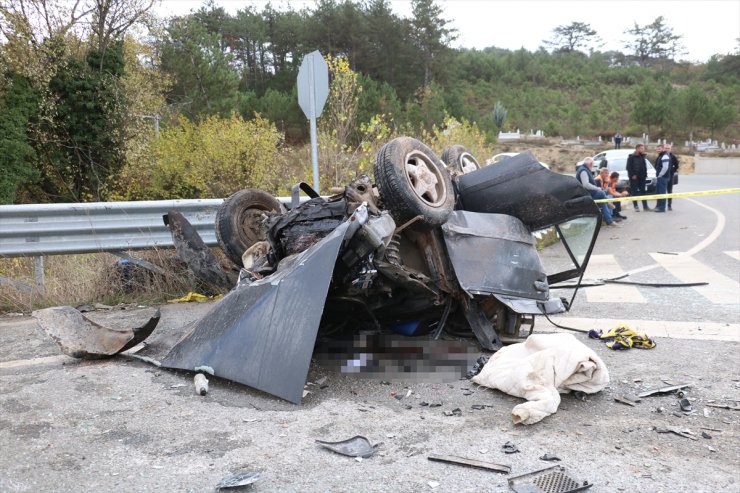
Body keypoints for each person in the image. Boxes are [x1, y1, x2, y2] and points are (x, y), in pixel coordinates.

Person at [576, 157, 620, 227]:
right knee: (601, 193)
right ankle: (608, 203)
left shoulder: (584, 169)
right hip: (586, 195)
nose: (593, 166)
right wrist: (597, 188)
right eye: (593, 164)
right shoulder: (583, 171)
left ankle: (610, 221)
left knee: (603, 202)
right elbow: (585, 184)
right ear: (590, 164)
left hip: (589, 193)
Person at [626, 143, 650, 212]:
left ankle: (645, 207)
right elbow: (628, 168)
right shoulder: (631, 157)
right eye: (641, 148)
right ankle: (636, 206)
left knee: (643, 192)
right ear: (637, 149)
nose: (643, 150)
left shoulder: (642, 157)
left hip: (642, 177)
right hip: (634, 178)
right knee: (634, 192)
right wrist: (632, 175)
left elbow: (643, 167)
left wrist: (645, 175)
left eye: (643, 148)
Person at [665, 144, 679, 211]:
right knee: (662, 192)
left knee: (669, 191)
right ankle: (661, 205)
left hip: (670, 177)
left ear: (670, 149)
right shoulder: (662, 156)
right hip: (663, 177)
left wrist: (672, 171)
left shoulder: (673, 157)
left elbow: (676, 166)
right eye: (666, 148)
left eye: (668, 148)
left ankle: (669, 205)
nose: (667, 149)